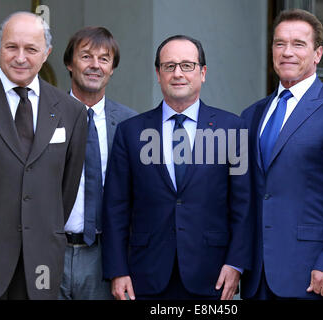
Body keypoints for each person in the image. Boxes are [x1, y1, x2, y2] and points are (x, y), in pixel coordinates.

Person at [101, 35, 252, 300]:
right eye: (169, 66)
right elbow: (116, 207)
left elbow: (243, 204)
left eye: (187, 65)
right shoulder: (131, 132)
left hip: (212, 275)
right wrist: (117, 270)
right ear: (158, 74)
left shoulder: (233, 128)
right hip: (144, 277)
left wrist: (236, 263)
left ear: (203, 72)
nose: (178, 73)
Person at [240, 9, 323, 300]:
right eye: (279, 43)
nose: (287, 52)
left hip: (310, 272)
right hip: (256, 275)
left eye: (298, 44)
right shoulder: (252, 114)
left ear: (317, 53)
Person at [0, 12, 87, 300]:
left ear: (46, 53)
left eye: (31, 49)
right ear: (0, 48)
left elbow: (65, 190)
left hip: (42, 264)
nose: (20, 57)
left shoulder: (71, 112)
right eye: (12, 47)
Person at [59, 26, 137, 300]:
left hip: (105, 257)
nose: (95, 65)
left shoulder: (131, 124)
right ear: (69, 63)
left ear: (112, 67)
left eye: (104, 58)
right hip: (51, 251)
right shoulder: (45, 116)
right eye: (86, 56)